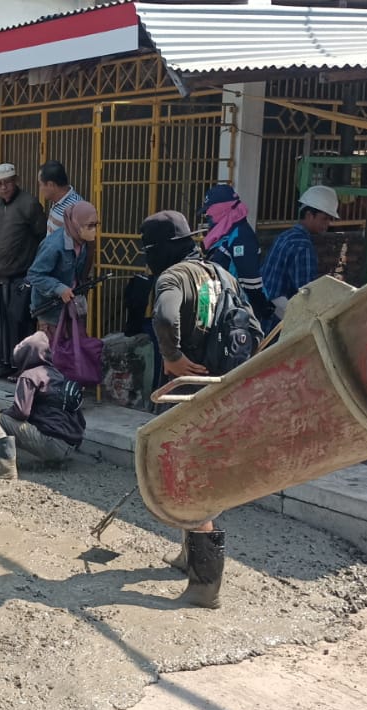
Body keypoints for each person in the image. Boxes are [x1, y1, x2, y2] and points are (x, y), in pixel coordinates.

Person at [143, 210, 260, 610]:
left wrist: (173, 357)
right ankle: (187, 555)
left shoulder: (172, 278)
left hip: (188, 388)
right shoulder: (220, 273)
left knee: (189, 475)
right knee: (194, 471)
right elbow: (253, 327)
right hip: (221, 388)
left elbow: (164, 316)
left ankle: (205, 584)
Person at [0, 331, 85, 479]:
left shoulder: (29, 376)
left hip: (50, 445)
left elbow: (21, 412)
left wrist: (4, 414)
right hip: (69, 446)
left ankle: (7, 470)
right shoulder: (57, 374)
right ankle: (53, 461)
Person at [0, 163, 47, 378]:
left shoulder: (29, 204)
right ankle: (4, 364)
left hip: (22, 275)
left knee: (20, 323)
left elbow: (42, 238)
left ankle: (23, 368)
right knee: (1, 324)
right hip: (0, 275)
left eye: (7, 183)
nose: (4, 188)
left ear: (16, 181)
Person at [261, 185, 339, 328]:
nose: (327, 224)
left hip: (264, 313)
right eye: (325, 219)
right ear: (309, 215)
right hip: (279, 320)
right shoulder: (303, 246)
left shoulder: (285, 236)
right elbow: (307, 293)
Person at [199, 184, 270, 328]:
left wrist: (262, 308)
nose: (207, 216)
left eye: (210, 211)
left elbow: (251, 281)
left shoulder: (241, 236)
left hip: (238, 315)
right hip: (219, 310)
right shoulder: (224, 233)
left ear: (222, 209)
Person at [26, 200, 99, 339]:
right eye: (89, 226)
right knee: (54, 355)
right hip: (50, 312)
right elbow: (34, 275)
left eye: (95, 225)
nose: (94, 230)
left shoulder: (84, 243)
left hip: (72, 308)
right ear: (76, 224)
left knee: (74, 352)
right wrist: (59, 288)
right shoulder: (54, 245)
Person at [38, 161, 83, 234]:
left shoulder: (76, 208)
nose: (40, 189)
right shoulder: (57, 200)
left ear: (51, 185)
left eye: (40, 184)